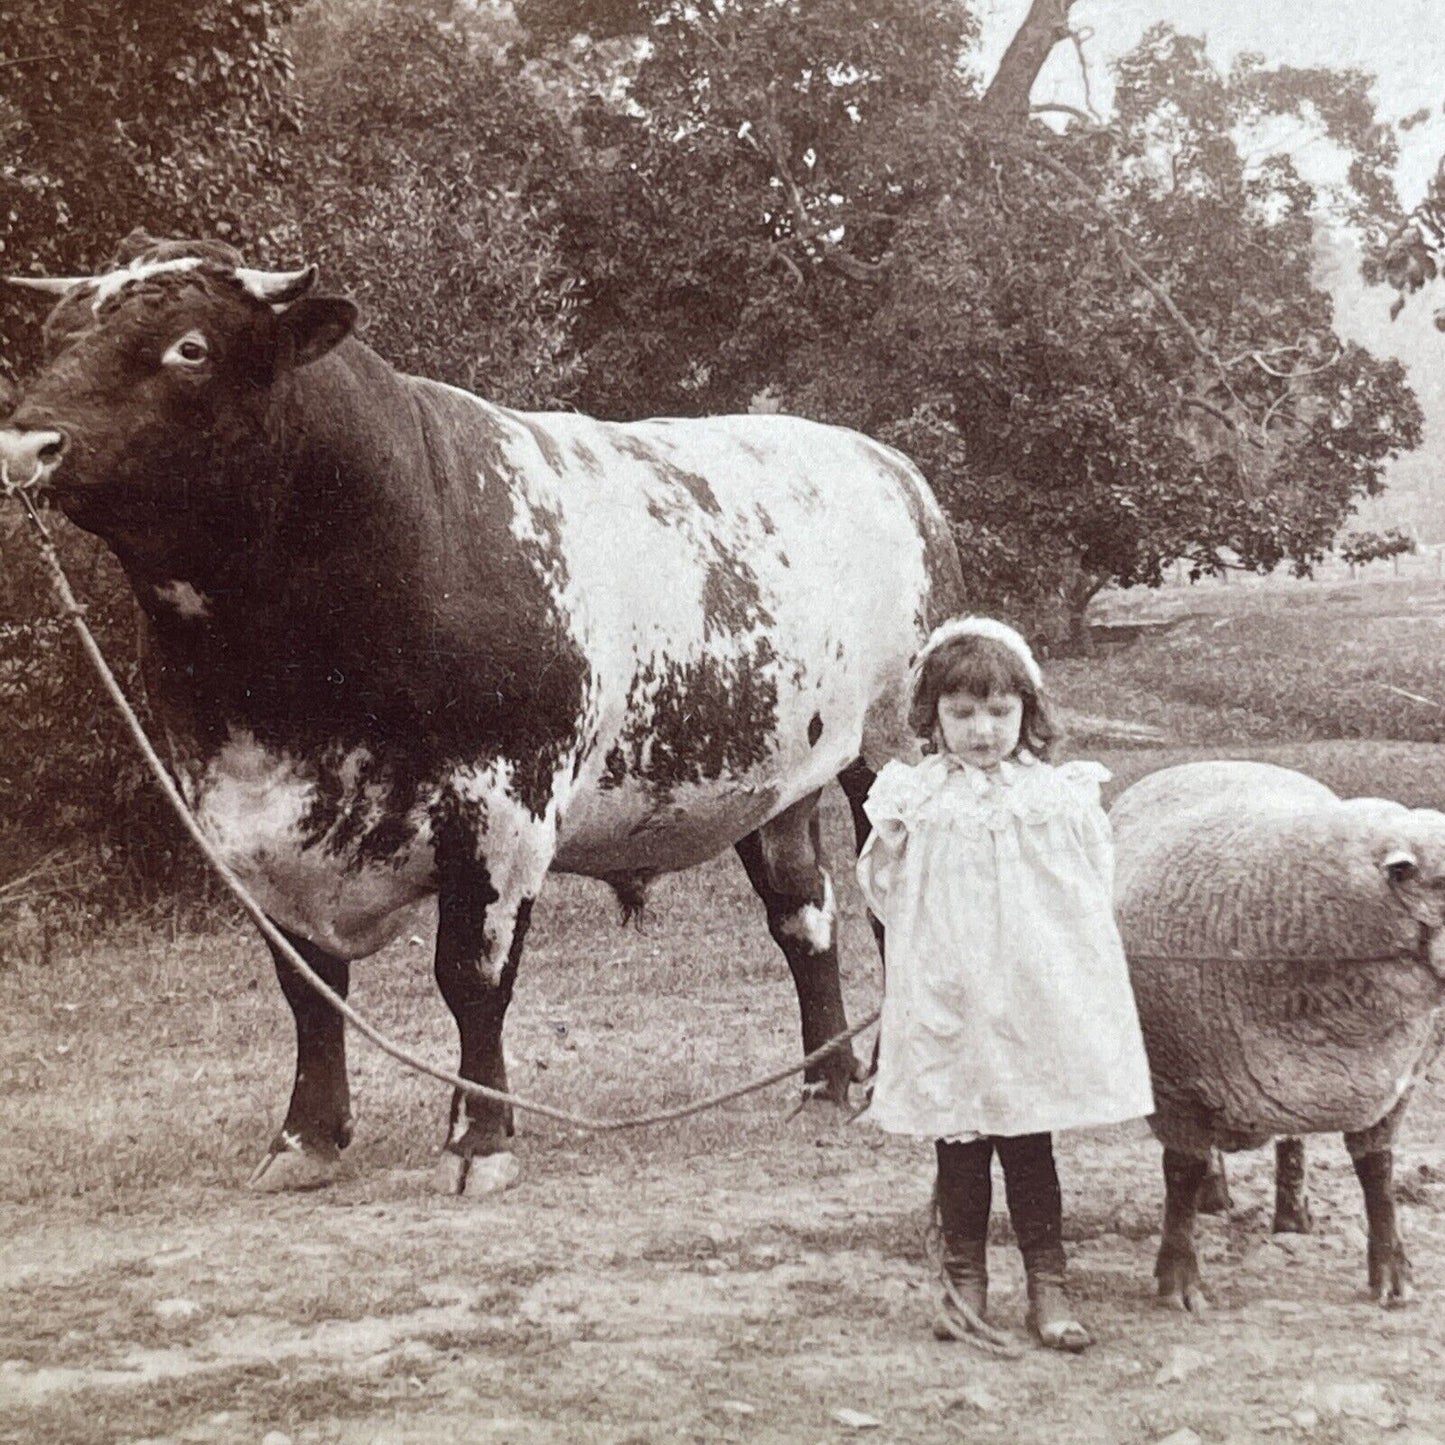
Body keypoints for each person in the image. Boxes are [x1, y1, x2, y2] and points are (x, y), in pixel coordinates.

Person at [856, 616, 1154, 1353]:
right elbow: (883, 889)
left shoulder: (1056, 798)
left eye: (998, 711)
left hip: (1027, 999)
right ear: (932, 718)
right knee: (958, 1145)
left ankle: (1047, 1286)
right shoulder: (914, 801)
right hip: (949, 999)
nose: (981, 730)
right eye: (960, 714)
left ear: (1028, 712)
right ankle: (964, 1283)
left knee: (1027, 1143)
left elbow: (1086, 891)